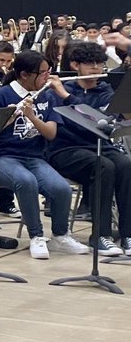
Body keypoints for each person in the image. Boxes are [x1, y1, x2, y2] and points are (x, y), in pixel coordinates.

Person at [0, 50, 88, 260]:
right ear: (24, 75)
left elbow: (51, 133)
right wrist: (7, 119)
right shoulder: (2, 95)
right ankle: (36, 236)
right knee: (26, 181)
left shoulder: (46, 96)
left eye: (48, 72)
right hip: (0, 157)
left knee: (61, 188)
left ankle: (60, 235)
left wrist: (31, 116)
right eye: (42, 73)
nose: (47, 77)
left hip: (34, 157)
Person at [48, 41, 131, 256]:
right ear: (76, 65)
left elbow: (100, 123)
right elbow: (71, 124)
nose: (96, 68)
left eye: (100, 63)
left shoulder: (105, 91)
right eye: (90, 63)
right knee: (103, 167)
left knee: (126, 164)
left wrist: (67, 98)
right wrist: (63, 94)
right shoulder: (58, 89)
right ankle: (100, 236)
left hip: (99, 145)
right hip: (65, 149)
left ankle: (128, 234)